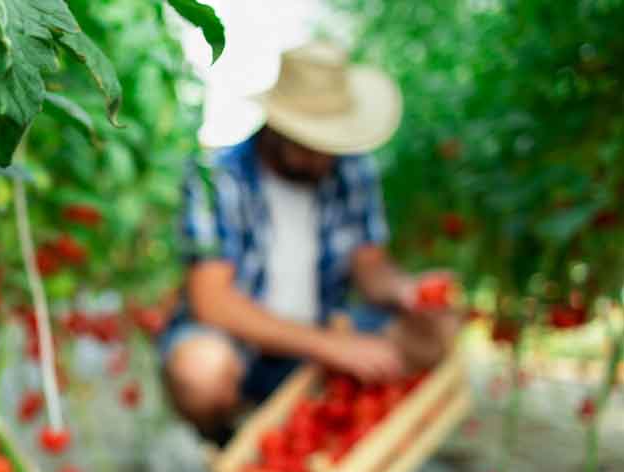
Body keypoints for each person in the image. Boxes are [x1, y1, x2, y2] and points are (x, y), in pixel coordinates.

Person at [162, 41, 459, 445]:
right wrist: (333, 347)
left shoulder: (350, 170)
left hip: (322, 336)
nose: (324, 159)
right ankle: (229, 440)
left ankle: (340, 429)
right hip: (245, 348)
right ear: (278, 126)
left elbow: (370, 267)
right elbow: (211, 301)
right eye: (311, 144)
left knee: (438, 328)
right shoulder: (216, 178)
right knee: (200, 372)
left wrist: (405, 290)